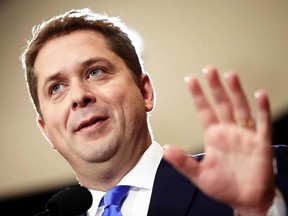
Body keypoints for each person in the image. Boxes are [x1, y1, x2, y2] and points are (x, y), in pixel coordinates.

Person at [21, 8, 287, 216]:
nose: (79, 96)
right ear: (46, 131)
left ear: (145, 92)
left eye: (95, 71)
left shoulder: (266, 175)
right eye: (56, 87)